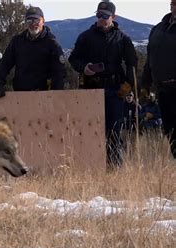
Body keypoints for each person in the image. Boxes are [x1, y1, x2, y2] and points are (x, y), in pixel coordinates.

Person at [68, 0, 137, 168]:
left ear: (113, 17)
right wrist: (84, 68)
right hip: (91, 89)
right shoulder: (85, 37)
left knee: (115, 131)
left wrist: (128, 90)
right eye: (98, 15)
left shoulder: (123, 39)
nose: (101, 19)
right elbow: (73, 58)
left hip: (115, 90)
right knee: (90, 130)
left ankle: (115, 169)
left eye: (105, 16)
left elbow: (132, 65)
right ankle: (91, 167)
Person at [0, 6, 66, 98]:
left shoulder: (52, 43)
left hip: (45, 96)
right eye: (29, 21)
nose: (33, 24)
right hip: (21, 94)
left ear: (43, 21)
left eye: (36, 20)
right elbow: (4, 64)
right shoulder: (17, 42)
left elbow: (59, 72)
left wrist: (56, 95)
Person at [141, 1, 176, 158]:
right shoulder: (158, 29)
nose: (174, 6)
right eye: (173, 3)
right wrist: (145, 84)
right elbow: (150, 59)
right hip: (162, 89)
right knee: (170, 131)